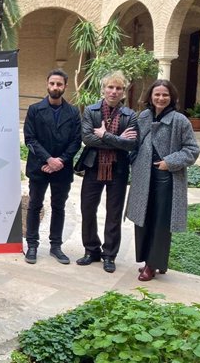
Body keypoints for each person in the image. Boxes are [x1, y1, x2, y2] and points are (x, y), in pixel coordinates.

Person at [126, 80, 200, 281]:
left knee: (160, 222)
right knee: (143, 220)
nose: (160, 98)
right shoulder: (144, 116)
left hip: (166, 180)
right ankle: (149, 260)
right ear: (150, 96)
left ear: (172, 98)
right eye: (157, 94)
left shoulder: (179, 120)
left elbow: (193, 150)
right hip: (144, 177)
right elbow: (134, 143)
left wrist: (170, 162)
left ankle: (153, 264)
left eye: (165, 95)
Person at [77, 71, 137, 273]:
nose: (113, 91)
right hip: (94, 167)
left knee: (114, 213)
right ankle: (91, 250)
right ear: (103, 89)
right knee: (87, 209)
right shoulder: (91, 111)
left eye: (118, 88)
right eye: (110, 87)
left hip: (118, 170)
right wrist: (116, 139)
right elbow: (87, 138)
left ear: (123, 93)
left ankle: (109, 255)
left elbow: (130, 144)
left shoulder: (130, 115)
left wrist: (104, 134)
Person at [24, 69, 82, 265]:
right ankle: (32, 245)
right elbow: (30, 139)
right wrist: (49, 160)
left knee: (59, 207)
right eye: (52, 83)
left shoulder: (73, 112)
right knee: (34, 205)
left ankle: (56, 246)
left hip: (62, 169)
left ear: (65, 86)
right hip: (39, 167)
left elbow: (76, 141)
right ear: (47, 85)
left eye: (59, 84)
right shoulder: (34, 109)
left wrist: (61, 161)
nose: (55, 87)